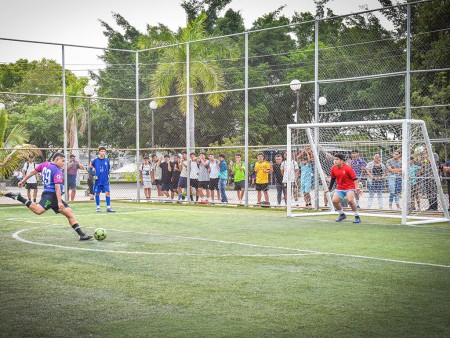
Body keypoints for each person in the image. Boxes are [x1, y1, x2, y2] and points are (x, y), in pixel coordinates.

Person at [5, 152, 92, 240]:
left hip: (51, 195)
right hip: (51, 196)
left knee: (70, 213)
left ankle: (82, 235)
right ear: (57, 159)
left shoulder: (44, 164)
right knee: (38, 210)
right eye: (62, 161)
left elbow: (32, 172)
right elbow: (57, 187)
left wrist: (23, 180)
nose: (63, 163)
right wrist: (59, 202)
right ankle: (19, 197)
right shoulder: (57, 171)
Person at [325, 153, 362, 223]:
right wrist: (329, 188)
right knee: (334, 201)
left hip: (350, 187)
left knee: (350, 200)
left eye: (337, 159)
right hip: (340, 188)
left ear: (342, 161)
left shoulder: (348, 168)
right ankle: (342, 214)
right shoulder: (333, 168)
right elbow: (333, 178)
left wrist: (357, 188)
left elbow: (355, 179)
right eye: (334, 159)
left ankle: (357, 216)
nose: (335, 161)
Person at [90, 146, 115, 212]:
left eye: (104, 151)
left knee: (108, 193)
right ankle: (98, 207)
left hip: (105, 180)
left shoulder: (107, 160)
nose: (103, 152)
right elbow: (90, 168)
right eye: (101, 151)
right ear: (99, 152)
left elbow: (108, 168)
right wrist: (93, 174)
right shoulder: (95, 160)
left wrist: (108, 174)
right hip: (98, 180)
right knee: (97, 193)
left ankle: (108, 207)